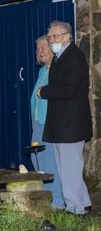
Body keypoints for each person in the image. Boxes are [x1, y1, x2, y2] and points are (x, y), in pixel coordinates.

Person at [37, 21, 92, 215]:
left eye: (55, 36)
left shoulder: (74, 58)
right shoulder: (63, 56)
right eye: (50, 37)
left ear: (67, 36)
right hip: (63, 125)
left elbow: (68, 90)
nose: (52, 40)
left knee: (69, 171)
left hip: (71, 125)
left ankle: (75, 209)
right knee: (70, 169)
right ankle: (84, 202)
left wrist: (44, 91)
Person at [30, 35, 65, 209]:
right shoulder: (43, 70)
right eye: (38, 48)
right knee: (37, 159)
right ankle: (48, 195)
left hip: (49, 122)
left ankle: (58, 200)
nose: (40, 51)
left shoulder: (57, 70)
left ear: (53, 49)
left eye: (44, 47)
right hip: (38, 121)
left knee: (50, 160)